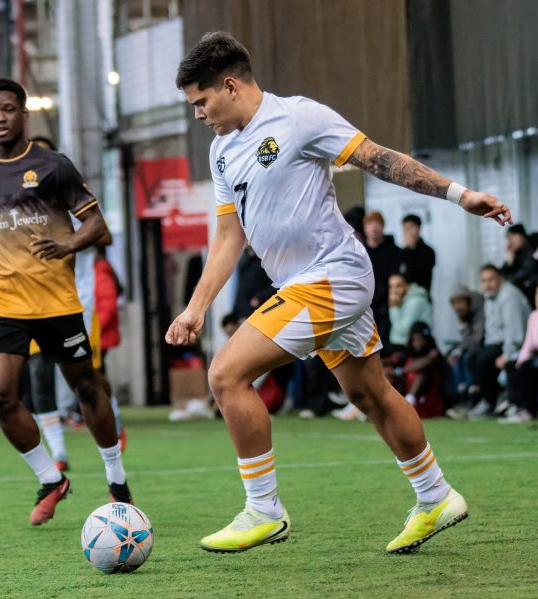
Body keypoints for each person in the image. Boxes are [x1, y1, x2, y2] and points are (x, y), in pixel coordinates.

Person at [166, 32, 511, 555]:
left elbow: (378, 158)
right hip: (303, 285)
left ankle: (264, 510)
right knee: (369, 394)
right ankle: (435, 496)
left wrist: (460, 195)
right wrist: (195, 309)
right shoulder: (221, 152)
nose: (198, 114)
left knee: (226, 374)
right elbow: (229, 236)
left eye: (201, 101)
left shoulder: (300, 118)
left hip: (334, 276)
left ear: (230, 85)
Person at [0, 78, 132, 526]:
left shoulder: (54, 167)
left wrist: (67, 245)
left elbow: (96, 224)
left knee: (86, 388)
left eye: (7, 110)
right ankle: (52, 479)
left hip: (57, 303)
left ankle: (116, 477)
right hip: (1, 302)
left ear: (24, 113)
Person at [470, 264, 531, 416]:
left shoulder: (509, 296)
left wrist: (507, 354)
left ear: (500, 279)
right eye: (483, 280)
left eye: (491, 279)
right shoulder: (489, 297)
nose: (487, 284)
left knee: (485, 360)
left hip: (518, 344)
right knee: (472, 357)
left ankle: (491, 401)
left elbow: (515, 331)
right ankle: (491, 398)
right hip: (498, 343)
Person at [499, 281, 538, 423]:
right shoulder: (534, 316)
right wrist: (520, 361)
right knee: (514, 365)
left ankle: (529, 409)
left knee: (526, 368)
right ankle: (517, 407)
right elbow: (528, 343)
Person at [363, 211, 402, 346]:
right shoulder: (359, 252)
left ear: (383, 227)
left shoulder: (394, 251)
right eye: (370, 224)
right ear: (365, 227)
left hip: (386, 307)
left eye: (377, 224)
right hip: (363, 307)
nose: (374, 228)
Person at [446, 284, 484, 398]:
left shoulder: (479, 311)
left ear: (468, 300)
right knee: (452, 357)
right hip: (471, 348)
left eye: (460, 302)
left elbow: (478, 338)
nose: (458, 306)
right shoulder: (464, 314)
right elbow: (465, 339)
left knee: (466, 358)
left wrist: (460, 350)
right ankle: (461, 394)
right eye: (455, 303)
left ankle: (472, 392)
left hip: (483, 346)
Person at [388, 273, 433, 348]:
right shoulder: (403, 300)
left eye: (398, 286)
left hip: (414, 349)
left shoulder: (416, 301)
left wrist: (394, 307)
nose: (394, 290)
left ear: (407, 285)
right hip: (402, 345)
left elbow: (403, 332)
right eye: (391, 286)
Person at [400, 214, 436, 294]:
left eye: (410, 228)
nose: (407, 232)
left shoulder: (428, 252)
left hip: (421, 296)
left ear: (418, 228)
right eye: (405, 229)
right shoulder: (401, 252)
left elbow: (413, 274)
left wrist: (409, 249)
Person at [500, 224, 536, 299]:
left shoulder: (532, 248)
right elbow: (500, 274)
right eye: (508, 240)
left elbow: (523, 275)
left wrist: (504, 281)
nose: (509, 243)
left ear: (520, 236)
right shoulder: (516, 253)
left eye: (511, 238)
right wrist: (509, 262)